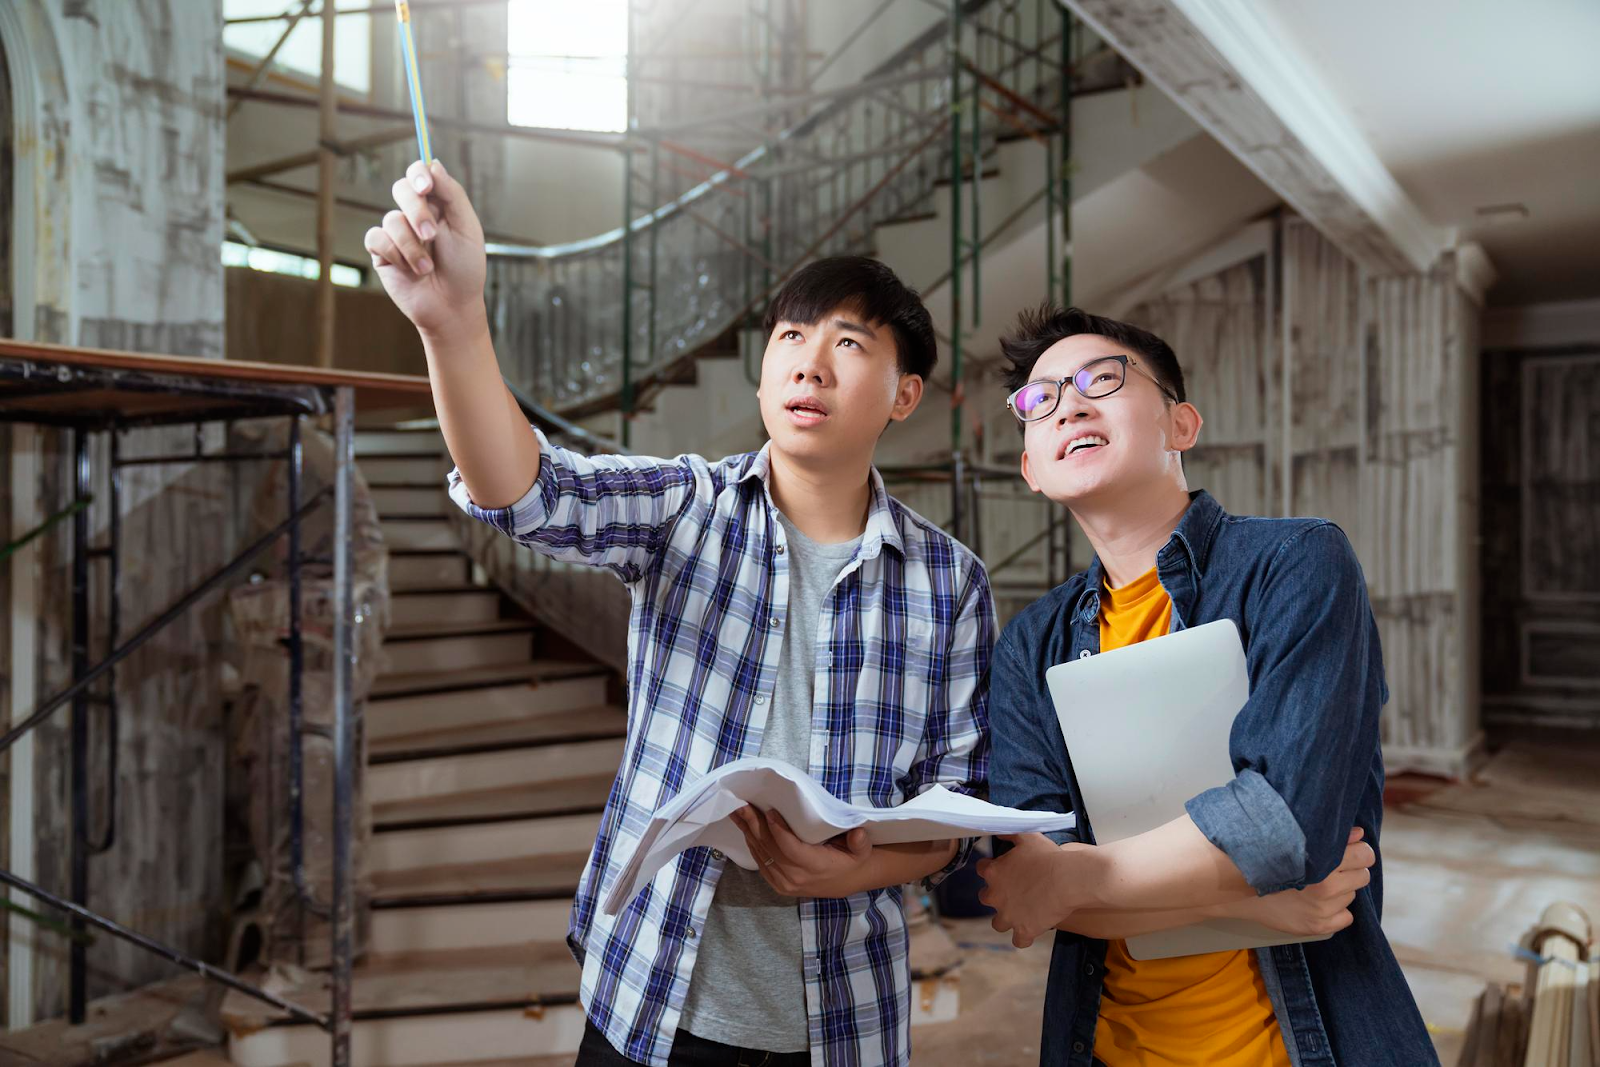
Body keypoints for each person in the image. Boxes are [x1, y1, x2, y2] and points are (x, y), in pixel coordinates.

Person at [366, 159, 992, 1067]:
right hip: (650, 994)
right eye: (790, 336)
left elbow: (951, 814)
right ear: (764, 376)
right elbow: (526, 490)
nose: (810, 363)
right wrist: (453, 323)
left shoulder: (949, 581)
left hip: (844, 1021)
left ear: (905, 394)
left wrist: (858, 869)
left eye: (850, 343)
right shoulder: (686, 509)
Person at [978, 305, 1437, 1066]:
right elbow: (1032, 884)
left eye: (1102, 379)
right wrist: (1265, 899)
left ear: (1182, 424)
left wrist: (1081, 874)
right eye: (1041, 398)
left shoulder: (1298, 563)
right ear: (1031, 467)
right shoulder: (1031, 644)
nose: (1070, 406)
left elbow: (1285, 822)